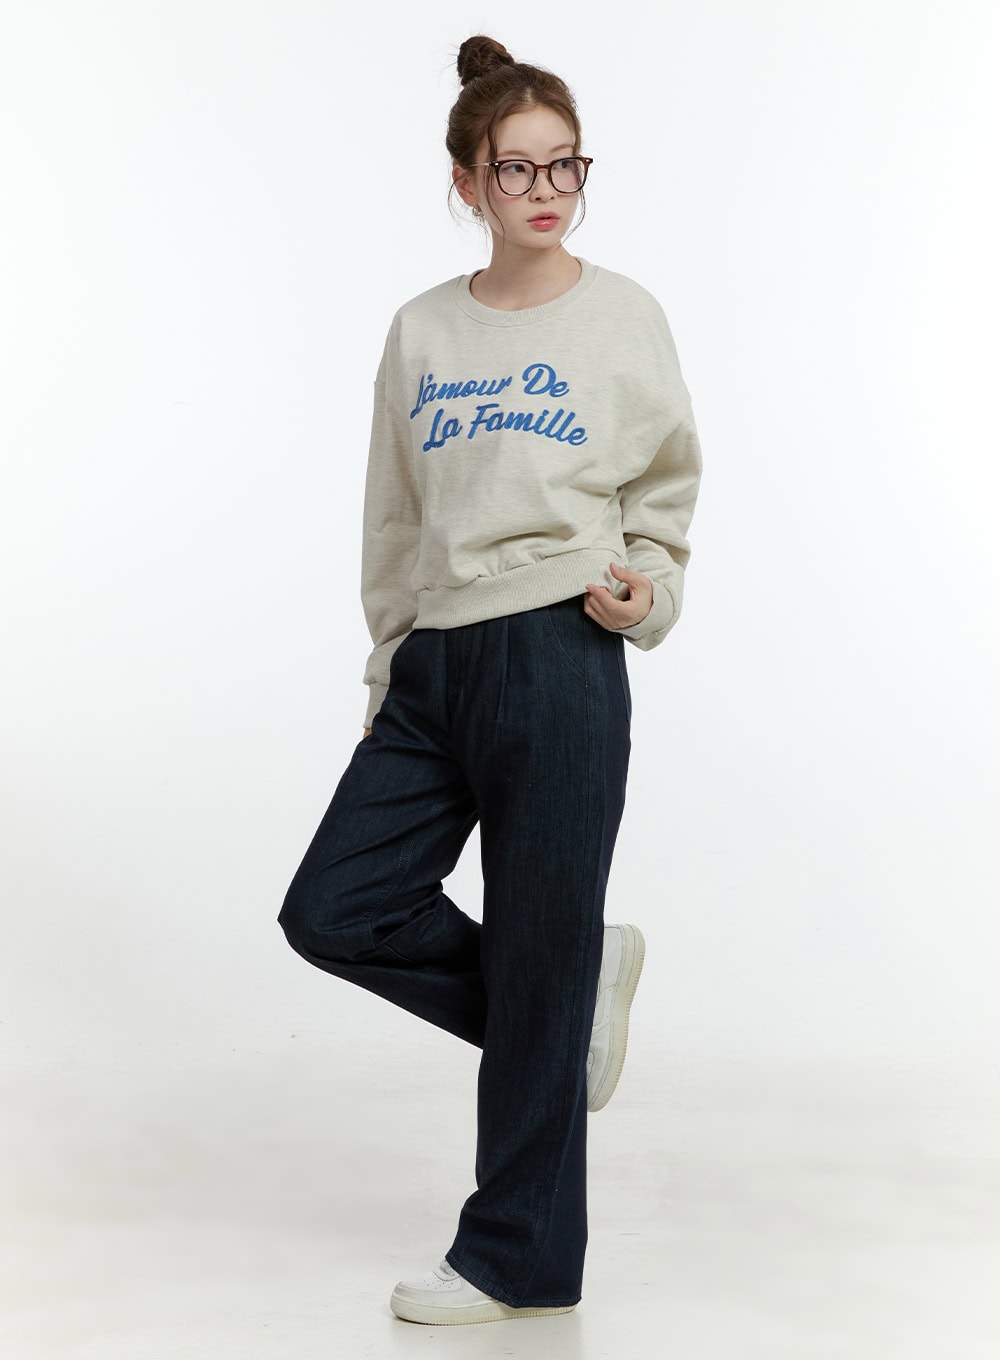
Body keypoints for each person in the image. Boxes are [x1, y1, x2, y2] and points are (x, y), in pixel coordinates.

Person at [278, 33, 702, 1326]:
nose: (545, 189)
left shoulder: (623, 316)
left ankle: (517, 1260)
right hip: (437, 661)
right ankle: (569, 996)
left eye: (565, 164)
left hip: (562, 647)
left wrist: (648, 592)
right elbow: (393, 520)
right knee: (334, 909)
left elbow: (663, 491)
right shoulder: (423, 329)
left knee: (536, 947)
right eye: (516, 168)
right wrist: (388, 669)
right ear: (467, 180)